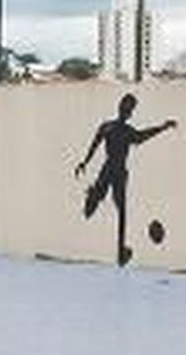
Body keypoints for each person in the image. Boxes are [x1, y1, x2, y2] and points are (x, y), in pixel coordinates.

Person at [73, 92, 179, 266]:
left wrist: (163, 127)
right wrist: (84, 162)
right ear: (125, 110)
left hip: (113, 172)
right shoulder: (113, 128)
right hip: (113, 171)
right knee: (117, 209)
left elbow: (141, 136)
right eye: (128, 108)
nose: (127, 112)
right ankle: (120, 250)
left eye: (129, 109)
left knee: (119, 208)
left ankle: (120, 251)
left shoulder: (116, 129)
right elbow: (98, 144)